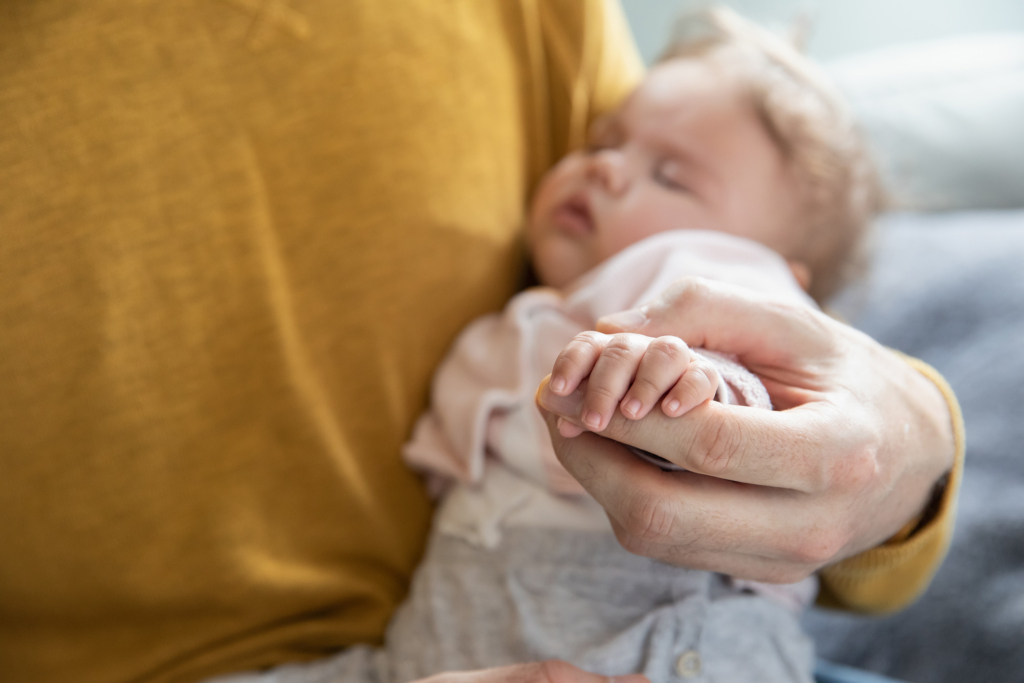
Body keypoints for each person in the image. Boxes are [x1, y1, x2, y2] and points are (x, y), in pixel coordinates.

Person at [0, 2, 962, 683]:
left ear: (779, 268)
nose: (606, 168)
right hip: (417, 649)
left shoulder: (693, 276)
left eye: (669, 170)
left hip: (671, 646)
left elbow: (756, 390)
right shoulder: (527, 315)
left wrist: (698, 380)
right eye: (606, 138)